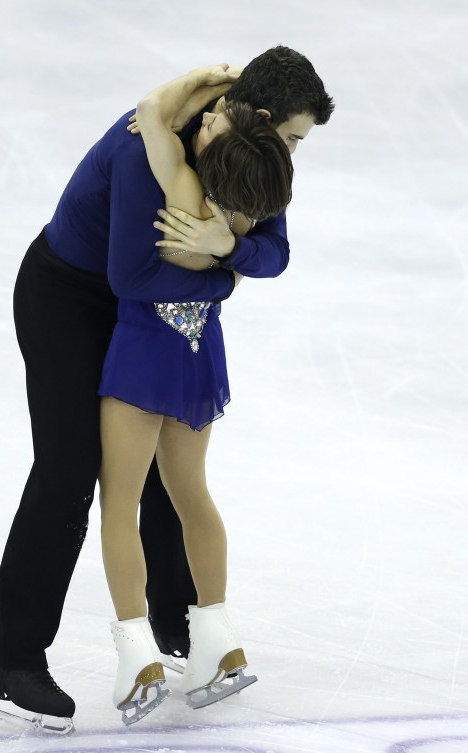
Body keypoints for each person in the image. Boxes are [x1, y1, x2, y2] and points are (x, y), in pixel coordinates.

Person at [0, 46, 334, 730]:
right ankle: (10, 657)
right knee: (71, 471)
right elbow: (132, 278)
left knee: (174, 468)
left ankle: (177, 624)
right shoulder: (149, 142)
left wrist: (227, 249)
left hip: (153, 307)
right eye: (291, 136)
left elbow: (275, 249)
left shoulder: (255, 153)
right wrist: (224, 276)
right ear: (257, 116)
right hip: (71, 297)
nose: (293, 152)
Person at [99, 65, 294, 724]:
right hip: (199, 350)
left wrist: (197, 81)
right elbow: (259, 256)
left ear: (219, 149)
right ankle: (218, 640)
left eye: (214, 123)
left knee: (120, 504)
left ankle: (138, 655)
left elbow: (150, 113)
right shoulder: (241, 212)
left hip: (144, 351)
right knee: (192, 495)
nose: (205, 120)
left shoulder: (179, 184)